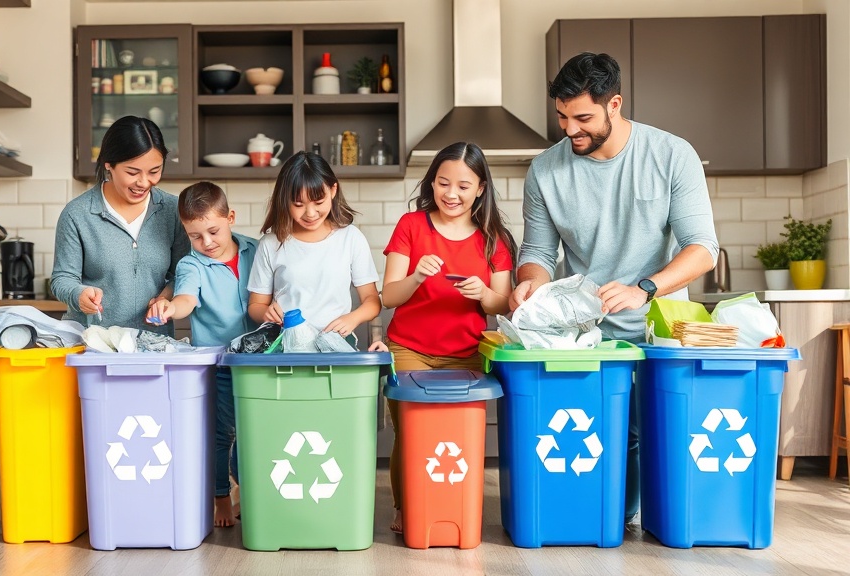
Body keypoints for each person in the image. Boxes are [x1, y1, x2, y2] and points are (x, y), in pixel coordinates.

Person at [511, 52, 719, 524]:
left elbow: (703, 248)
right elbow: (539, 255)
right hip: (586, 334)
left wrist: (644, 288)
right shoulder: (545, 171)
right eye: (562, 117)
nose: (569, 130)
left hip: (656, 329)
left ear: (615, 104)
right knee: (607, 469)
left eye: (582, 117)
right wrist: (529, 285)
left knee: (660, 442)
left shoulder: (671, 155)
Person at [379, 141, 515, 533]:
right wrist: (417, 276)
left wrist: (483, 294)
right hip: (410, 350)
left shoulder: (494, 239)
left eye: (462, 185)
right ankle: (406, 508)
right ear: (432, 182)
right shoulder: (411, 226)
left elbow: (502, 304)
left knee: (455, 439)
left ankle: (453, 504)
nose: (451, 194)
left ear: (480, 188)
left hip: (467, 355)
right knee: (410, 434)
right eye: (442, 183)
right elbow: (389, 295)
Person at [145, 181, 257, 528]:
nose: (206, 242)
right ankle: (221, 498)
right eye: (195, 236)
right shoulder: (191, 266)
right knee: (222, 435)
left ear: (230, 217)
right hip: (221, 364)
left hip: (259, 363)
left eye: (213, 231)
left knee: (255, 430)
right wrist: (169, 307)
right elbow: (186, 300)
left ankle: (250, 491)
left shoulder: (257, 250)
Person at [51, 115, 190, 334]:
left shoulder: (173, 211)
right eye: (132, 172)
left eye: (154, 171)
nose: (144, 182)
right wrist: (79, 294)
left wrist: (165, 297)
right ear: (109, 164)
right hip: (94, 343)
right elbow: (62, 279)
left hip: (152, 343)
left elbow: (183, 273)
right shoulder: (78, 214)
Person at [247, 151, 381, 338]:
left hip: (336, 341)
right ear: (284, 200)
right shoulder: (270, 244)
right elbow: (255, 305)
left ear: (333, 191)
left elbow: (372, 300)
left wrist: (353, 318)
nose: (310, 213)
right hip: (287, 343)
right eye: (299, 204)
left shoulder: (351, 238)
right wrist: (266, 314)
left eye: (319, 202)